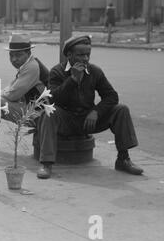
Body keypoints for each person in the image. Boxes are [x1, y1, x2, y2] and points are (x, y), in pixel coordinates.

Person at [36, 35, 143, 179]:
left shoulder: (94, 71)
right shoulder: (57, 72)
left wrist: (96, 112)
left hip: (88, 120)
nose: (85, 59)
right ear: (69, 55)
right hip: (66, 120)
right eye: (81, 55)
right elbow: (53, 99)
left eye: (88, 55)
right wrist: (73, 80)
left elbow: (111, 96)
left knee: (121, 109)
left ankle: (123, 159)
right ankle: (46, 163)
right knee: (48, 113)